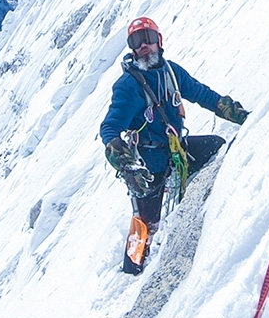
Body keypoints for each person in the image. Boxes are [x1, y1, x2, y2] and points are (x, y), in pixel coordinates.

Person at [100, 16, 248, 274]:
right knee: (146, 225)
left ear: (159, 41)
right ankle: (131, 274)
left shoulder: (172, 73)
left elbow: (202, 95)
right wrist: (125, 163)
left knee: (216, 146)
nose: (143, 45)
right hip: (148, 167)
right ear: (132, 48)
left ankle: (193, 207)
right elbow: (109, 127)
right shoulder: (128, 87)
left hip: (176, 151)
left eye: (148, 38)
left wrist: (236, 115)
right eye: (137, 41)